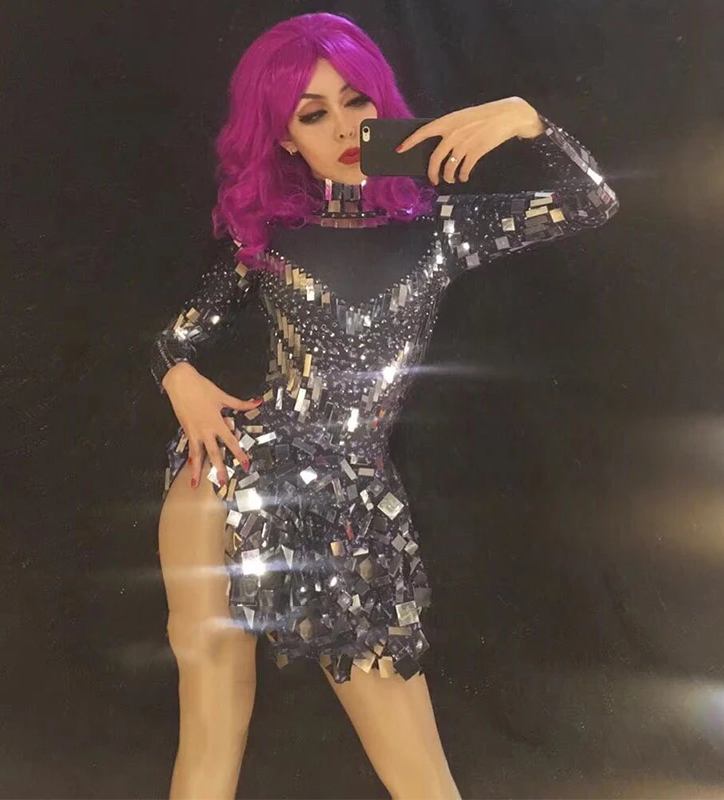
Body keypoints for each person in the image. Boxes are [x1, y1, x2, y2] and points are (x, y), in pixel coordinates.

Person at [151, 12, 618, 800]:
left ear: (382, 102)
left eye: (355, 101)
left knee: (417, 768)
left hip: (353, 503)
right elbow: (176, 338)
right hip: (227, 473)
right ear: (283, 137)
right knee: (209, 726)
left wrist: (526, 120)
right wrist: (179, 377)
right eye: (312, 114)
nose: (342, 128)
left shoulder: (440, 229)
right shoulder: (263, 238)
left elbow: (592, 201)